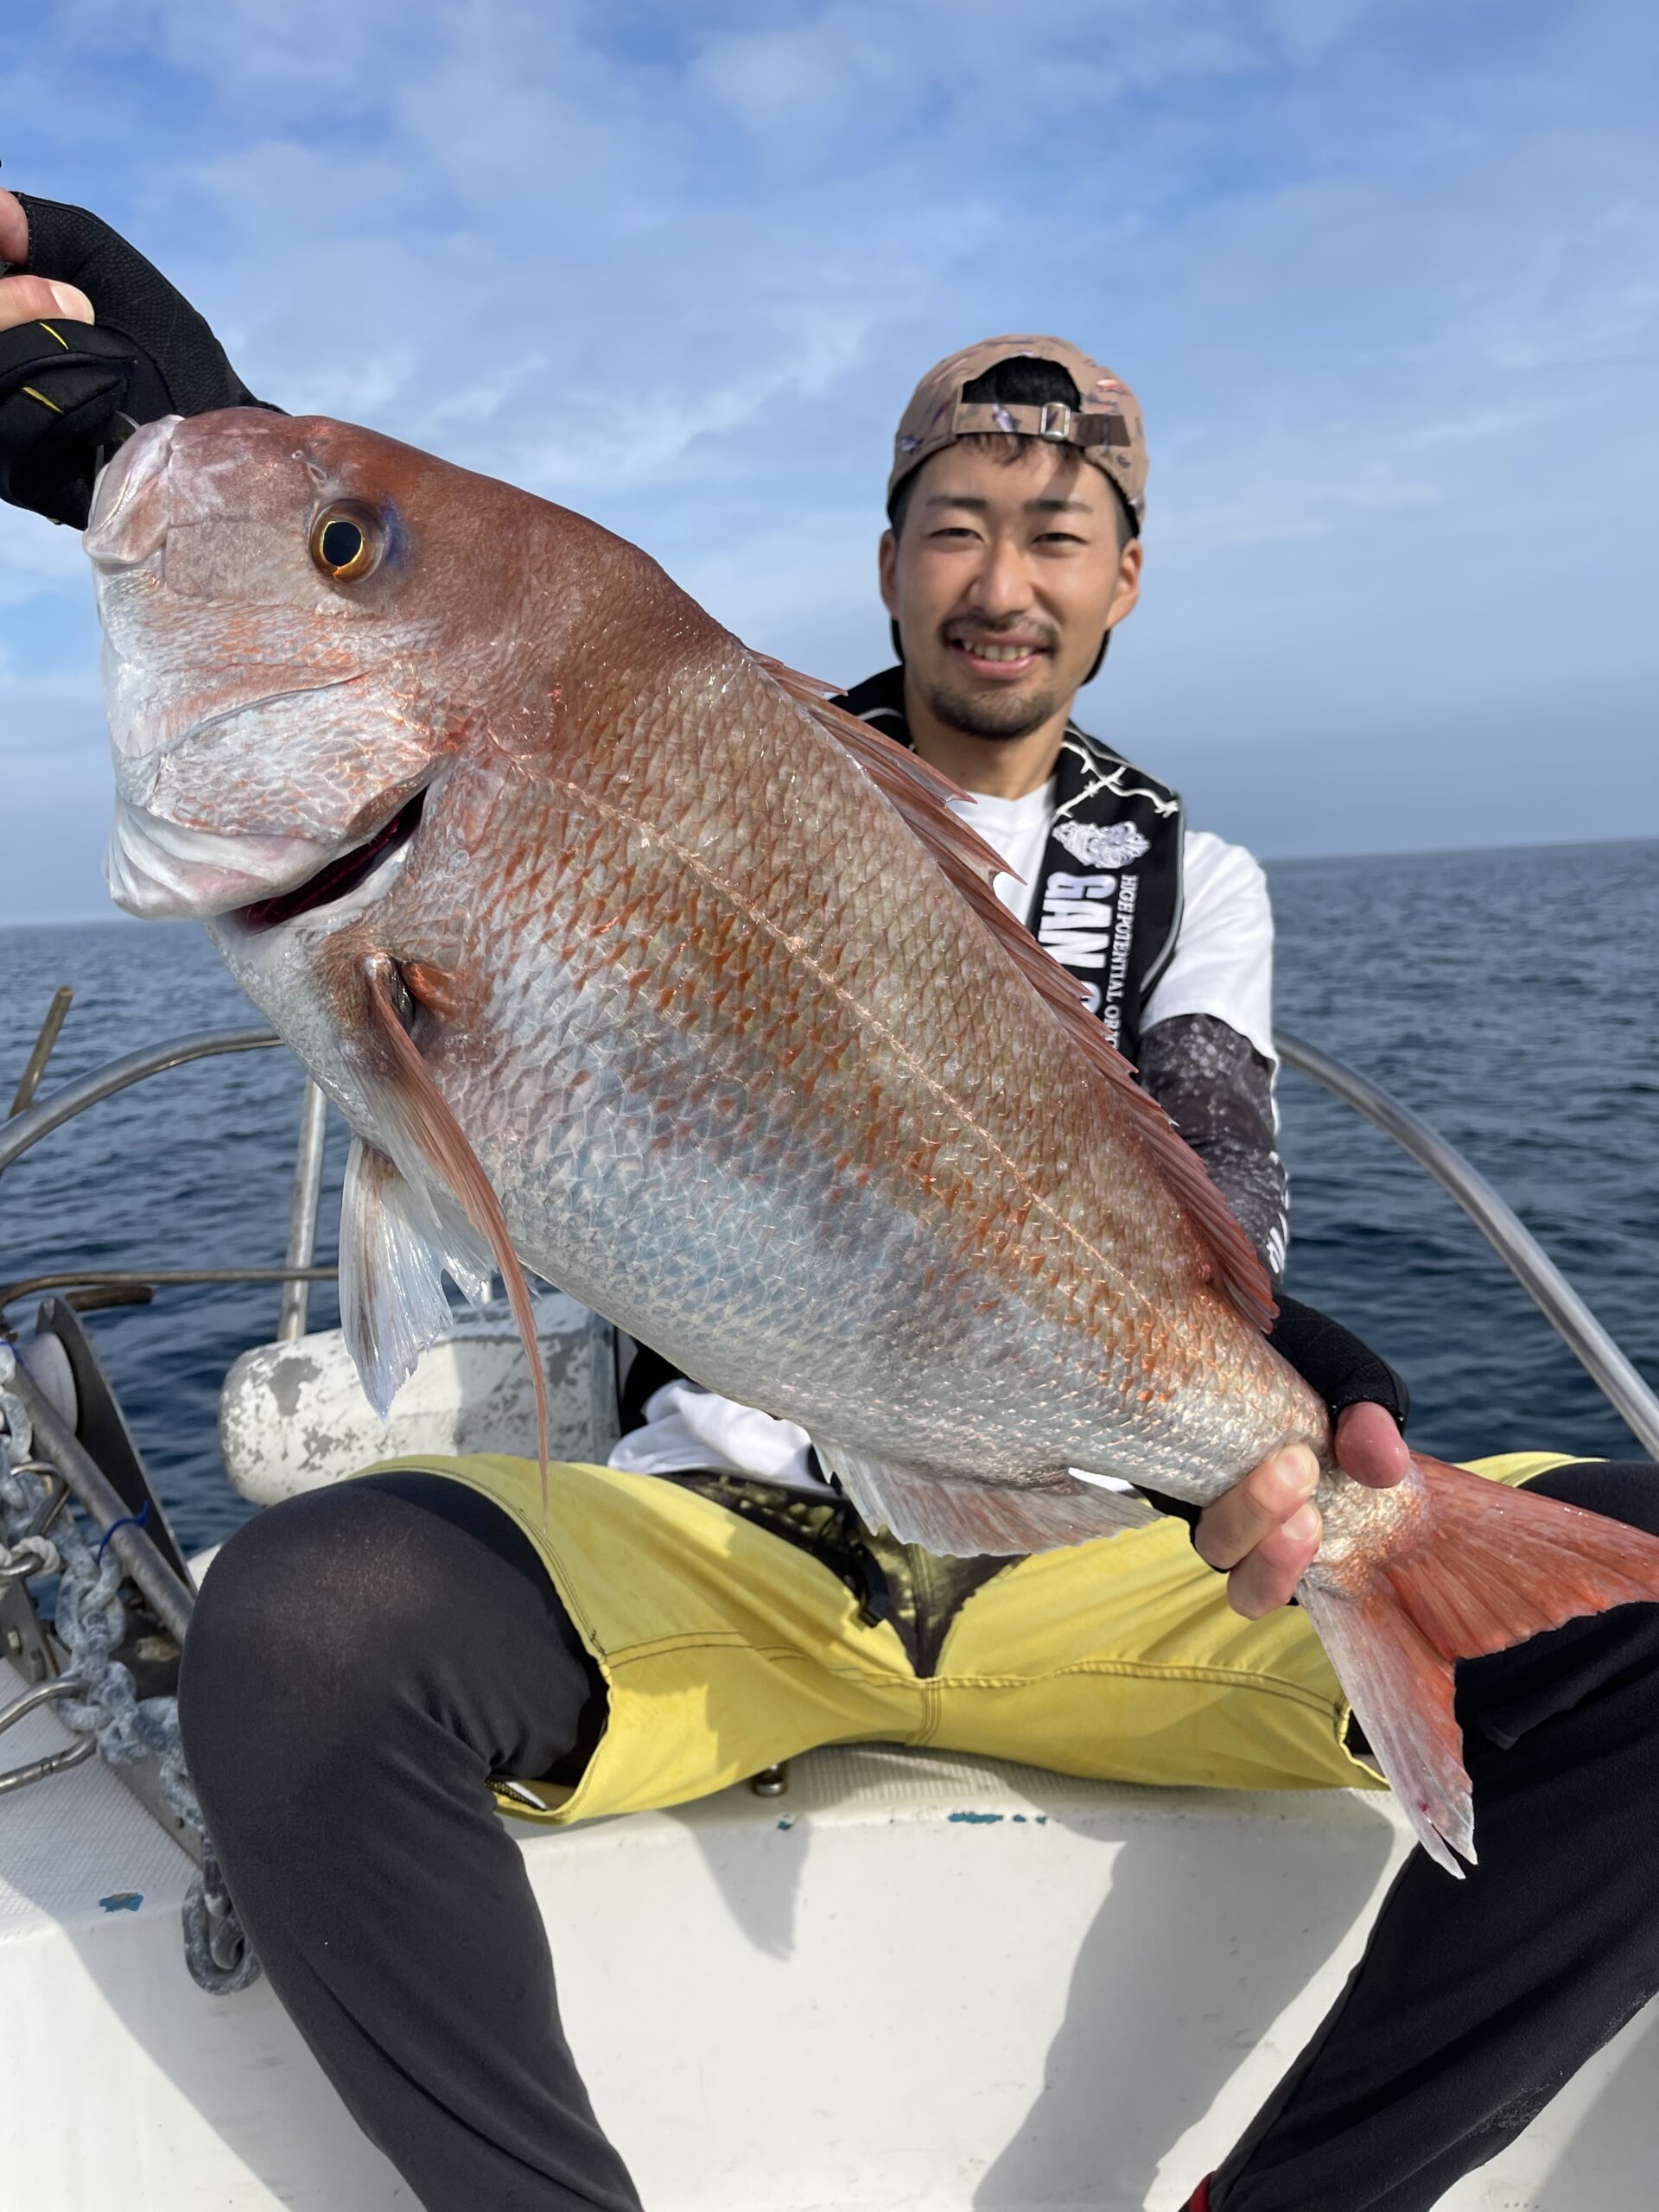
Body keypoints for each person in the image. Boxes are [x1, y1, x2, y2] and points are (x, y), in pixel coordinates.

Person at [3, 192, 1657, 2212]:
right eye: (956, 525)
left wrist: (1295, 1405)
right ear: (887, 558)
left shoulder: (1191, 878)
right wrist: (171, 433)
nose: (1001, 582)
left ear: (1126, 579)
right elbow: (441, 621)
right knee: (297, 1633)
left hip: (1086, 1550)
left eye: (1058, 535)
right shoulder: (686, 731)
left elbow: (1217, 1185)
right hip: (729, 1541)